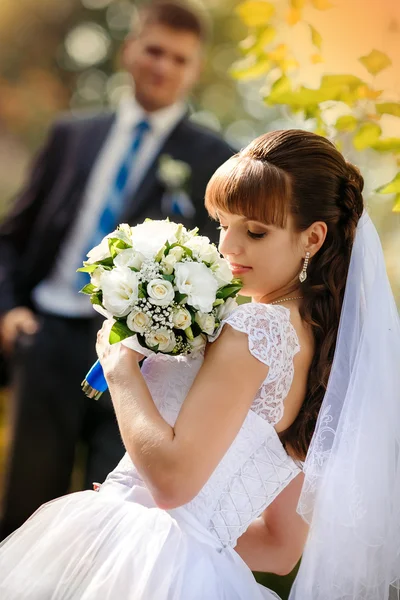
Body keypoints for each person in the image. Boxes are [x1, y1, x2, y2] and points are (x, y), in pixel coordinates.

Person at [0, 129, 399, 600]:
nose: (228, 246)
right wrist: (175, 523)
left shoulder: (257, 328)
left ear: (312, 237)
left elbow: (171, 480)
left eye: (255, 231)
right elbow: (278, 547)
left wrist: (119, 367)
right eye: (223, 223)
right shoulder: (327, 366)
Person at [0, 0, 234, 540]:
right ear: (131, 50)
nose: (163, 66)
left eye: (180, 59)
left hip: (143, 363)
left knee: (112, 521)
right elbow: (12, 236)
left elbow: (222, 270)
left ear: (194, 68)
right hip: (48, 335)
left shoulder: (214, 159)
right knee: (26, 511)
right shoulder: (71, 135)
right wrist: (11, 311)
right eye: (154, 50)